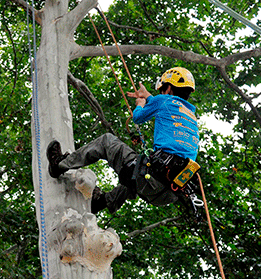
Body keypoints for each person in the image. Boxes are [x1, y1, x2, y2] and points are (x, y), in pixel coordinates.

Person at [47, 66, 204, 217]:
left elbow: (138, 117)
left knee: (107, 142)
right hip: (169, 194)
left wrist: (140, 105)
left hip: (152, 179)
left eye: (163, 90)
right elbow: (165, 105)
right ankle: (102, 202)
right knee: (135, 172)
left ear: (168, 88)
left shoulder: (164, 100)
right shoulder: (191, 115)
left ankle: (60, 164)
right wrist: (148, 96)